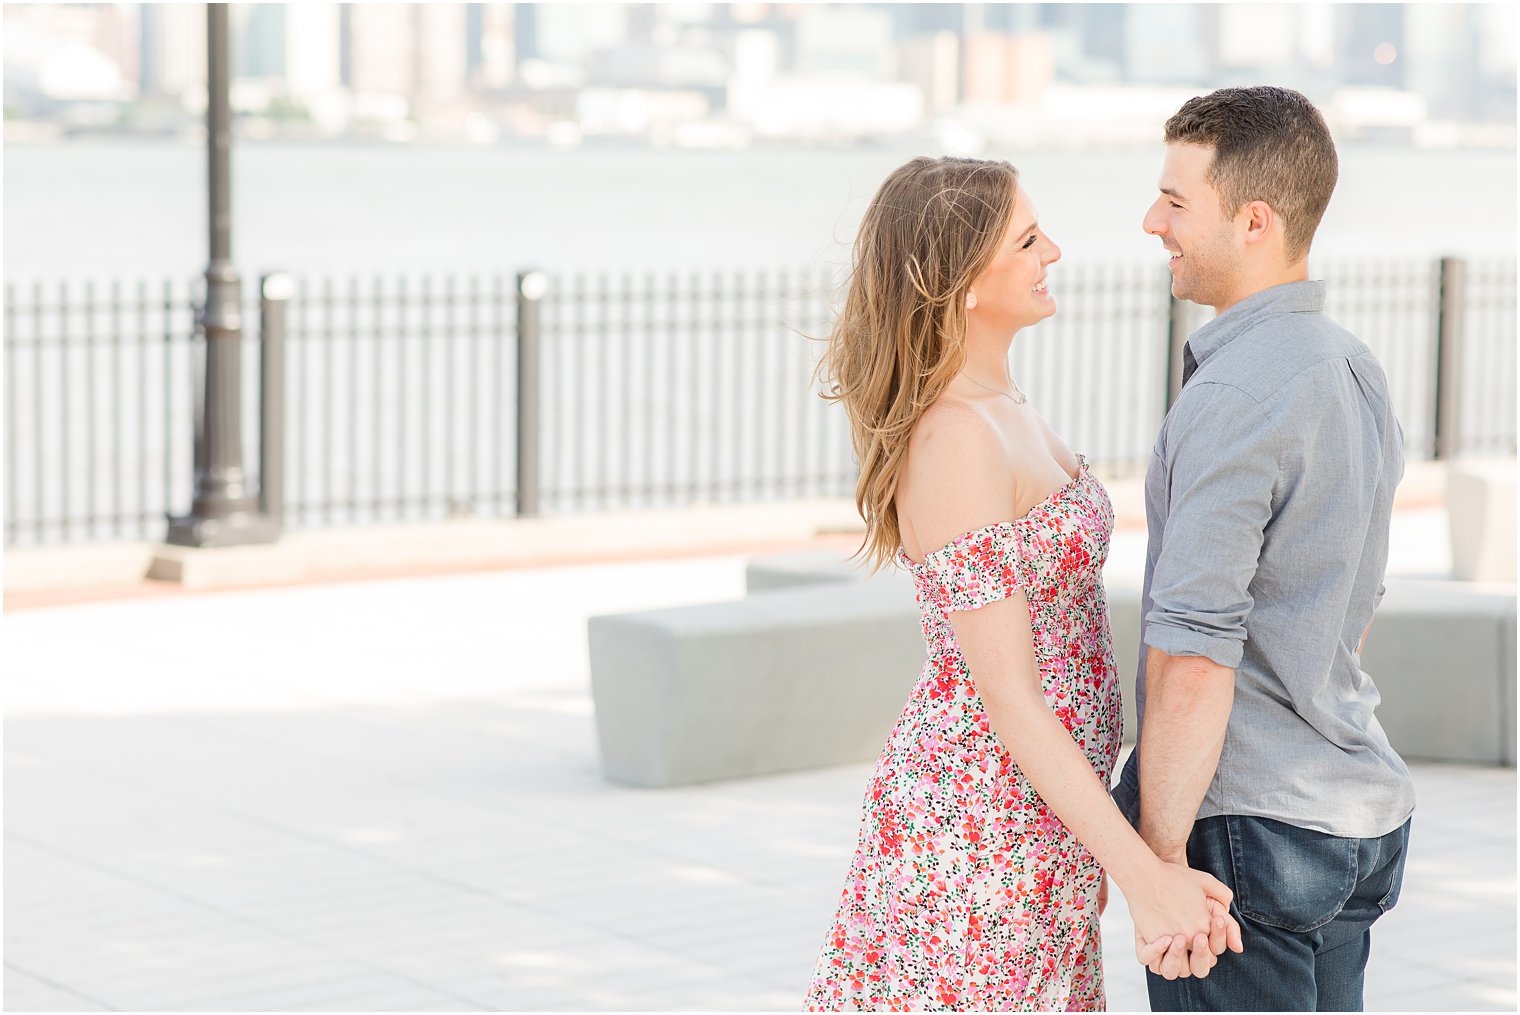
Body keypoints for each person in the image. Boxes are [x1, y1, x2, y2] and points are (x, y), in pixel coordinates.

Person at [803, 155, 1241, 1013]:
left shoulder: (1007, 405)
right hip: (976, 827)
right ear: (963, 281)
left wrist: (1101, 847)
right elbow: (1008, 697)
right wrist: (1144, 873)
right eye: (1028, 239)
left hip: (1042, 820)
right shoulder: (957, 437)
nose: (1056, 252)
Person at [1113, 86, 1416, 1011]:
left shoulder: (1236, 396)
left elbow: (1194, 654)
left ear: (1253, 221)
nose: (1151, 220)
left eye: (1175, 200)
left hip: (1250, 834)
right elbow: (1350, 608)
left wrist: (1160, 865)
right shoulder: (1352, 367)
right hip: (1355, 818)